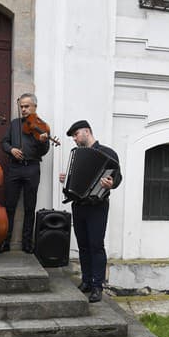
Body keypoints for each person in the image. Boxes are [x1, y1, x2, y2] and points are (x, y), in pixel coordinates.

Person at [57, 120, 122, 303]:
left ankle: (97, 286)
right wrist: (66, 178)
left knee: (96, 245)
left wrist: (111, 183)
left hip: (97, 206)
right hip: (78, 204)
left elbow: (117, 177)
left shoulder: (108, 153)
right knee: (83, 245)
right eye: (73, 137)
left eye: (76, 135)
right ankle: (86, 281)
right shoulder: (77, 154)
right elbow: (74, 177)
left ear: (87, 131)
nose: (75, 139)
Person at [0, 93, 51, 254]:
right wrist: (11, 149)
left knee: (29, 207)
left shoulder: (43, 127)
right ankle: (4, 242)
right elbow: (4, 142)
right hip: (14, 168)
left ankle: (27, 243)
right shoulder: (14, 124)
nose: (24, 109)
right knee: (9, 206)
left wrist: (43, 141)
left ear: (34, 107)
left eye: (27, 106)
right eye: (22, 107)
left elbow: (44, 151)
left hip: (32, 168)